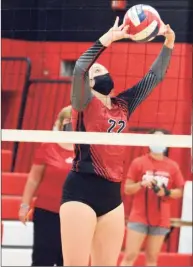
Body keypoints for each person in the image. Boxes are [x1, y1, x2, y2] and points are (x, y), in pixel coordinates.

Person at [60, 16, 175, 266]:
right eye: (97, 70)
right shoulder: (83, 102)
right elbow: (81, 67)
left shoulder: (123, 104)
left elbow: (153, 78)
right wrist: (107, 39)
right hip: (81, 188)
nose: (100, 70)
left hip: (112, 194)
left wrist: (168, 44)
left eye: (102, 68)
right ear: (89, 84)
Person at [18, 105, 73, 266]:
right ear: (61, 122)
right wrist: (24, 205)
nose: (71, 124)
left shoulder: (87, 150)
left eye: (74, 120)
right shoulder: (48, 146)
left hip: (74, 214)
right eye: (67, 120)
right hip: (47, 212)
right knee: (43, 259)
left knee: (68, 259)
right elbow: (33, 179)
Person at [121, 129, 184, 266]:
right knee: (129, 256)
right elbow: (127, 189)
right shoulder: (139, 162)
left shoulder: (172, 166)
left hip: (161, 219)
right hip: (139, 217)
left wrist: (166, 192)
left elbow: (180, 191)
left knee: (152, 259)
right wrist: (141, 184)